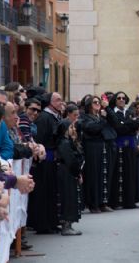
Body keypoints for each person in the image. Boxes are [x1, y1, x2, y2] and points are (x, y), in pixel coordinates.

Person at [28, 92, 64, 234]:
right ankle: (43, 224)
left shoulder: (54, 116)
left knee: (51, 192)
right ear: (49, 102)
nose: (61, 102)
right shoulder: (44, 118)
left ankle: (51, 222)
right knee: (43, 193)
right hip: (44, 162)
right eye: (58, 100)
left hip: (51, 161)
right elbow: (40, 139)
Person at [105, 91, 139, 209]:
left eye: (123, 98)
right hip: (117, 146)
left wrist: (124, 125)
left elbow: (136, 123)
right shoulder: (113, 113)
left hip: (130, 146)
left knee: (130, 172)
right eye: (119, 98)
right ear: (115, 100)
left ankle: (129, 201)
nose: (121, 100)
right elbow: (118, 127)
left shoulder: (130, 112)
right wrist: (126, 125)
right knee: (116, 173)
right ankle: (114, 202)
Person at [56, 120, 84, 236]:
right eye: (71, 127)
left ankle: (69, 224)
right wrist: (77, 173)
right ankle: (66, 226)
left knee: (71, 196)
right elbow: (70, 160)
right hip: (66, 172)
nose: (73, 129)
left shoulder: (68, 141)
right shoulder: (64, 143)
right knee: (68, 197)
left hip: (69, 172)